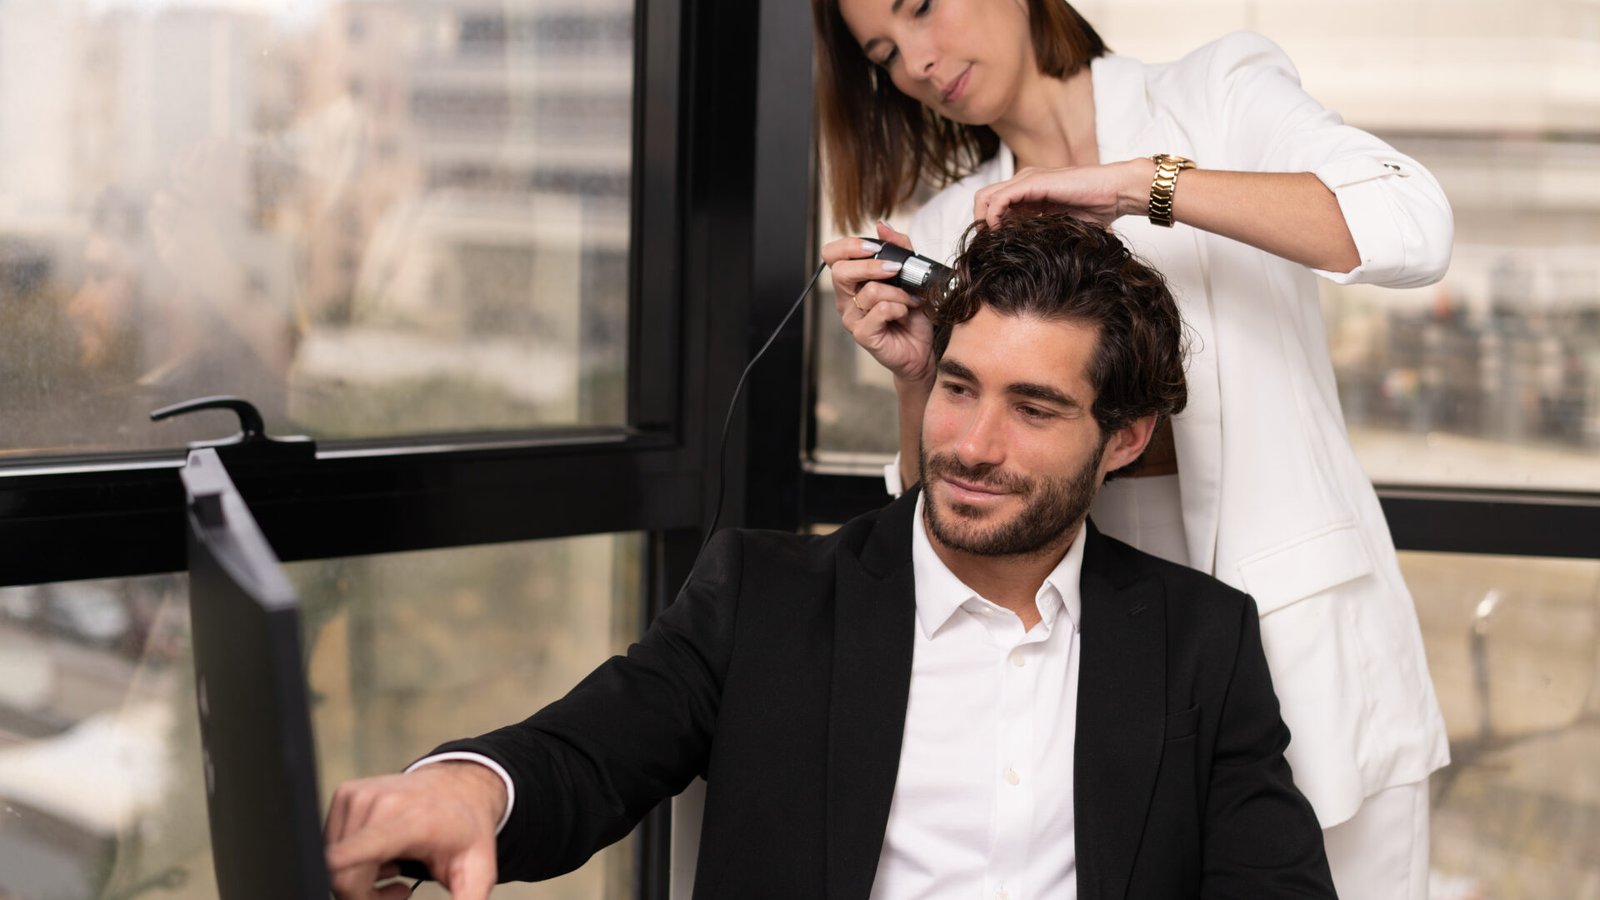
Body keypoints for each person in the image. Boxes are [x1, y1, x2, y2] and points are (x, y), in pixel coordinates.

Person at [324, 214, 1335, 899]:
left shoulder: (1200, 640)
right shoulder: (763, 597)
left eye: (1033, 409)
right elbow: (586, 753)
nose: (972, 444)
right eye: (957, 385)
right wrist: (463, 789)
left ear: (1122, 439)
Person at [815, 2, 1450, 895]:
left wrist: (1139, 186)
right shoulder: (951, 222)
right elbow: (950, 538)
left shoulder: (1215, 95)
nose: (918, 60)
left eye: (921, 7)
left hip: (1311, 662)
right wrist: (919, 379)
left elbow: (1411, 223)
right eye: (883, 53)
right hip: (1107, 698)